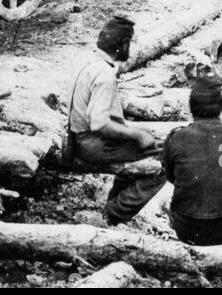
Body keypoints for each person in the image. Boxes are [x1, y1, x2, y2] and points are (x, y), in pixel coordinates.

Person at [67, 15, 164, 226]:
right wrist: (137, 135)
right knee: (162, 161)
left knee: (142, 142)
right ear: (123, 44)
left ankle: (114, 204)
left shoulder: (92, 63)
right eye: (131, 42)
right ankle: (113, 215)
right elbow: (99, 123)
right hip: (90, 143)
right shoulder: (104, 75)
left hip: (79, 137)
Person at [161, 72, 222, 246]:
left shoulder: (176, 137)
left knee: (165, 201)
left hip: (189, 227)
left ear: (192, 106)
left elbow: (171, 177)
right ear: (221, 106)